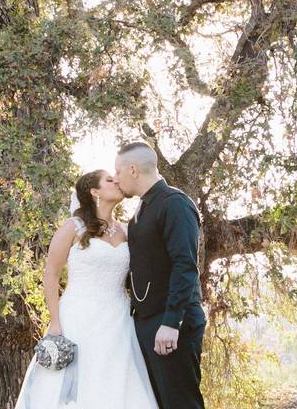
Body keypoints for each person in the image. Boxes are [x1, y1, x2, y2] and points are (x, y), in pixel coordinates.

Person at [14, 169, 159, 409]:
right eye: (110, 180)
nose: (117, 182)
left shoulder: (126, 230)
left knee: (117, 385)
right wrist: (56, 323)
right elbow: (50, 275)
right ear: (95, 192)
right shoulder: (73, 227)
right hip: (78, 319)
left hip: (118, 321)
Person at [115, 141, 206, 409]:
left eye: (118, 172)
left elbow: (185, 265)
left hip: (172, 323)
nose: (116, 179)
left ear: (133, 169)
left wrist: (171, 322)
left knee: (181, 403)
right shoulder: (139, 212)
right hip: (147, 323)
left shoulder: (174, 204)